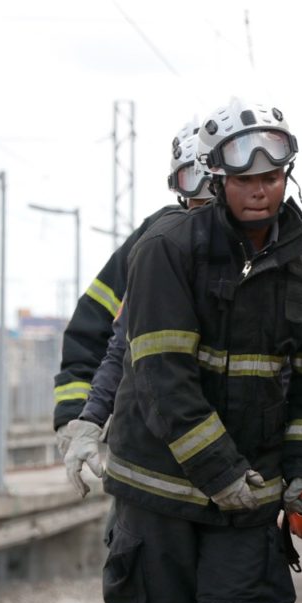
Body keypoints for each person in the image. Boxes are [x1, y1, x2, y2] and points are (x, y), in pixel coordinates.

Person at [101, 96, 302, 603]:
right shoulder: (166, 250)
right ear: (217, 181)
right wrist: (221, 474)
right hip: (160, 497)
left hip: (249, 504)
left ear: (287, 177)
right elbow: (165, 378)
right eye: (244, 180)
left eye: (270, 177)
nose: (259, 191)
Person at [62, 120, 216, 496]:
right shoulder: (155, 245)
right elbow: (116, 341)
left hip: (227, 457)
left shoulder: (267, 255)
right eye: (190, 186)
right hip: (147, 458)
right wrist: (83, 418)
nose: (202, 207)